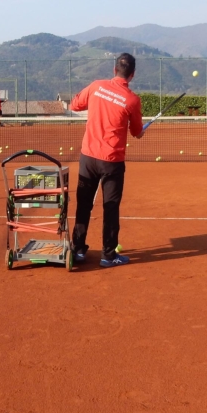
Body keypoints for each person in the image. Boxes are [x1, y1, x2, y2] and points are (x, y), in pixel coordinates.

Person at [70, 53, 143, 267]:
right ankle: (108, 255)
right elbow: (137, 132)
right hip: (112, 162)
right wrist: (140, 132)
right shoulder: (132, 100)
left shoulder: (96, 86)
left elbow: (75, 105)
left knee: (83, 205)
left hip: (88, 158)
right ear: (132, 75)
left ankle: (78, 250)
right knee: (110, 207)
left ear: (114, 70)